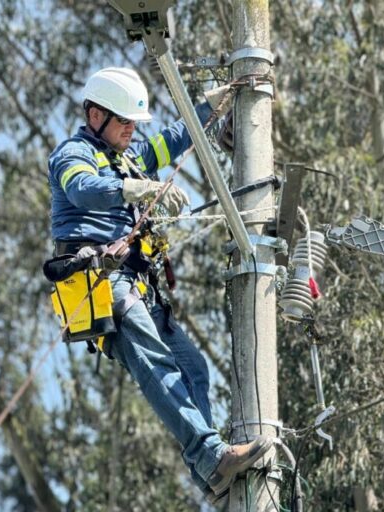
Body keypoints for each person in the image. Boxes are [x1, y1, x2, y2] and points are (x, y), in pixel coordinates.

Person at [47, 67, 273, 502]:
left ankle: (210, 473)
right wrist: (132, 189)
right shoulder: (73, 153)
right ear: (95, 116)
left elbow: (170, 140)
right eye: (124, 123)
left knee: (194, 369)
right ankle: (211, 456)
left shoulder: (126, 155)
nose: (131, 131)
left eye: (134, 124)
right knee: (159, 368)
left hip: (137, 284)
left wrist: (210, 106)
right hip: (100, 283)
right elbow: (82, 190)